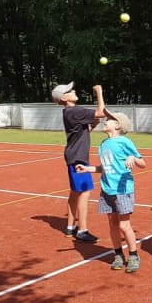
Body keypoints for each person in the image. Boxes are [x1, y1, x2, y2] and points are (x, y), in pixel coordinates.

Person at [75, 109, 145, 272]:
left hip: (122, 189)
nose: (105, 121)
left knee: (124, 225)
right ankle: (118, 254)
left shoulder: (125, 142)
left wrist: (132, 158)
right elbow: (105, 168)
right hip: (107, 189)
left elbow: (142, 163)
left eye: (109, 120)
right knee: (112, 223)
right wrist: (88, 169)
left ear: (118, 125)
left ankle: (134, 255)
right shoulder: (104, 144)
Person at [51, 82, 105, 243]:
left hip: (73, 155)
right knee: (84, 192)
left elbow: (81, 132)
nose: (74, 91)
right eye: (69, 91)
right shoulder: (74, 110)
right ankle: (82, 230)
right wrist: (99, 92)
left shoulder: (69, 112)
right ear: (64, 98)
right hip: (78, 158)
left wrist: (92, 127)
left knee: (75, 192)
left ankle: (70, 227)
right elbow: (101, 112)